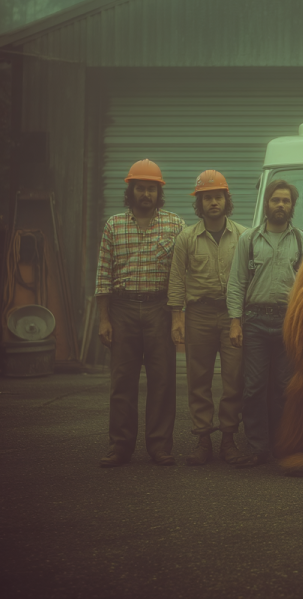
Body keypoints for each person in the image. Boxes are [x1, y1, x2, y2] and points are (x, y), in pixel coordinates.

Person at [96, 159, 185, 468]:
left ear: (158, 192)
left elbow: (181, 274)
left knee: (163, 380)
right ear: (130, 191)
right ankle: (119, 446)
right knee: (122, 381)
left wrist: (177, 316)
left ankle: (160, 446)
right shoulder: (114, 225)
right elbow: (103, 275)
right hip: (122, 309)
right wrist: (104, 319)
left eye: (151, 189)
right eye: (140, 188)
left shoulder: (175, 224)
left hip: (160, 308)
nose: (145, 194)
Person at [226, 179, 303, 467]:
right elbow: (236, 283)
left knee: (285, 387)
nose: (281, 205)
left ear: (292, 206)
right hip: (255, 322)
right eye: (276, 200)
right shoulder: (249, 239)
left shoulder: (302, 241)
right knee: (253, 387)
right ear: (267, 204)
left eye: (286, 201)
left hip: (288, 321)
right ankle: (256, 447)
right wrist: (235, 322)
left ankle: (283, 445)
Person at [168, 170, 247, 465]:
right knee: (198, 379)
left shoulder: (243, 235)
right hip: (198, 314)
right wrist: (178, 319)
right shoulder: (186, 238)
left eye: (218, 197)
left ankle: (229, 440)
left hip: (232, 314)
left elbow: (249, 277)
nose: (213, 202)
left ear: (227, 201)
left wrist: (240, 316)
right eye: (207, 198)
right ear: (198, 204)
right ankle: (203, 440)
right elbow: (176, 280)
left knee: (233, 379)